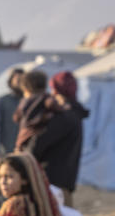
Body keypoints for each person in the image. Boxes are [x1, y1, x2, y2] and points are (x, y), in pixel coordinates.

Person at [29, 71, 89, 207]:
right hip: (65, 180)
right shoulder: (76, 114)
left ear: (55, 90)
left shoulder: (64, 117)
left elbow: (38, 144)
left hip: (53, 183)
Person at [0, 67, 24, 154]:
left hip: (26, 149)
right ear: (11, 81)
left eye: (22, 80)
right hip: (8, 148)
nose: (20, 83)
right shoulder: (3, 101)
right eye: (17, 80)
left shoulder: (29, 101)